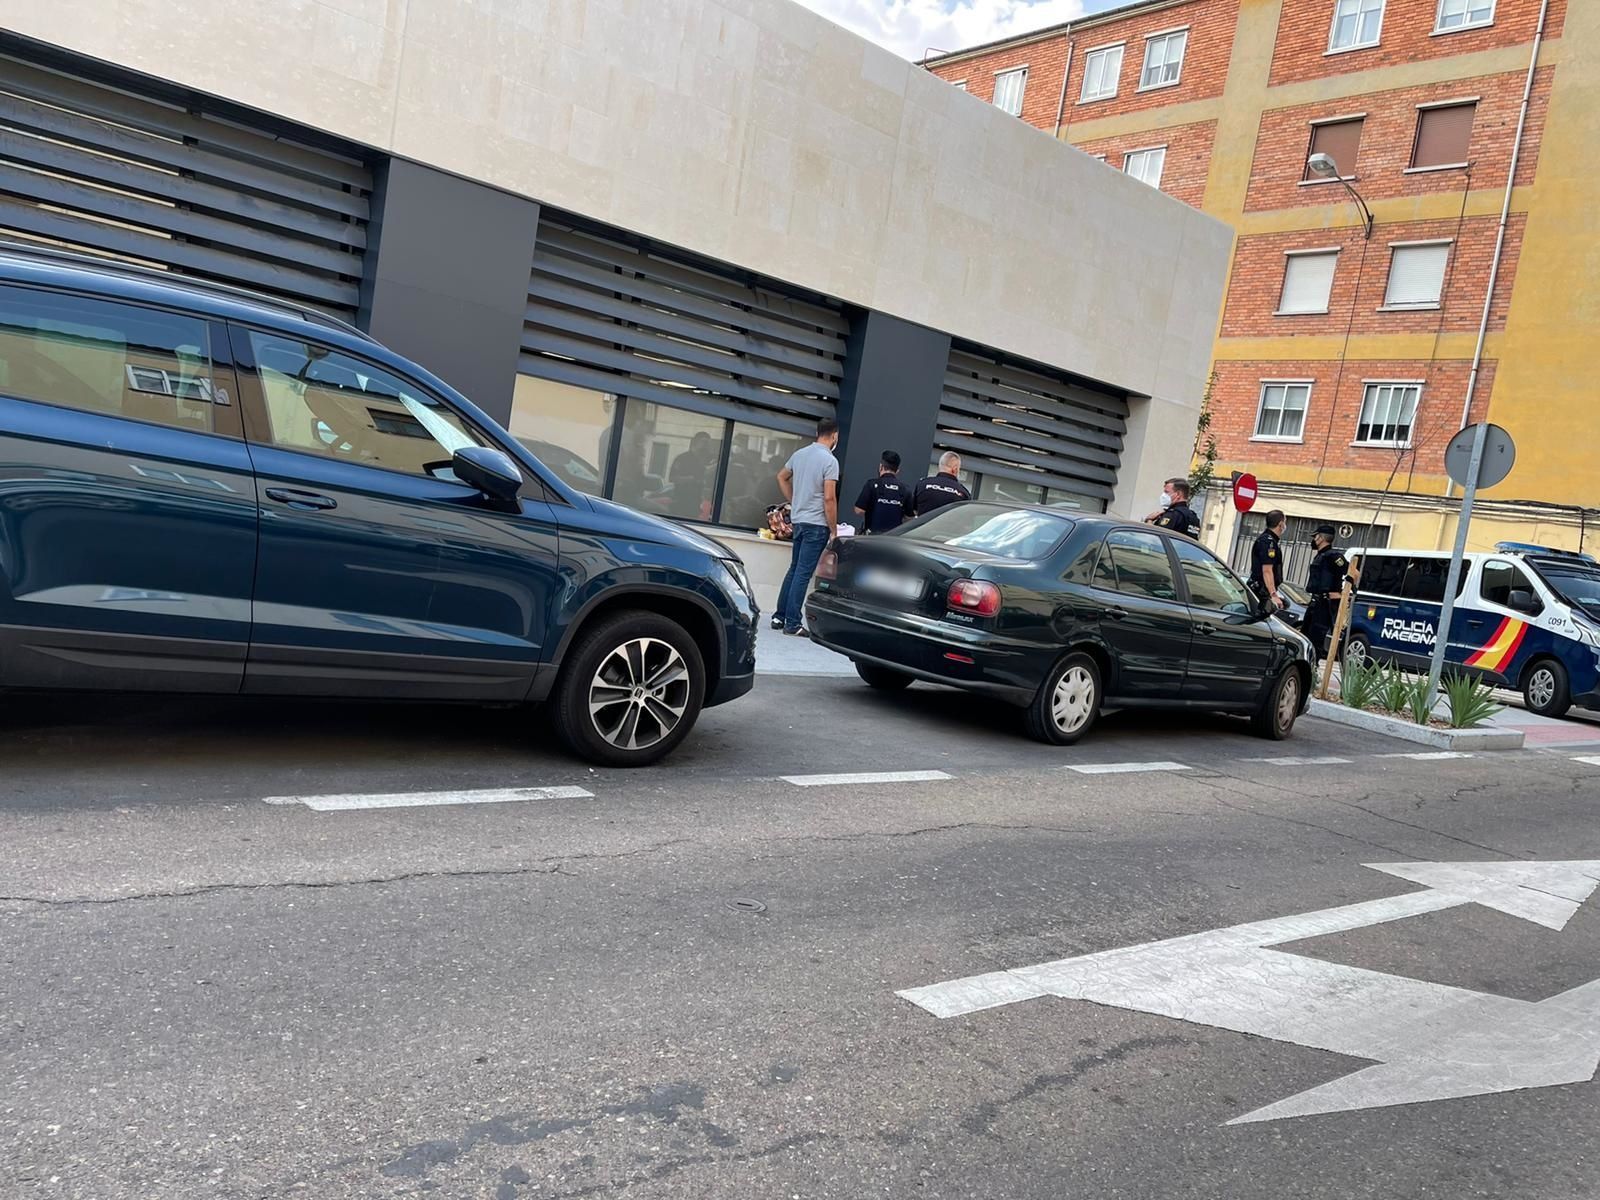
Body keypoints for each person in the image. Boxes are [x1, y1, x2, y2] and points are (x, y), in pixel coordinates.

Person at [773, 417, 840, 636]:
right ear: (834, 435)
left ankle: (779, 616)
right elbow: (829, 498)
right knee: (803, 573)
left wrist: (795, 500)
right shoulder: (830, 461)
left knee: (794, 569)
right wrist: (833, 529)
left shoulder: (799, 454)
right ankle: (792, 623)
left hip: (800, 521)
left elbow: (781, 477)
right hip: (817, 524)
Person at [1303, 525, 1353, 659]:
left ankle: (1313, 669)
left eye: (1315, 536)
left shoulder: (1334, 556)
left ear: (1321, 538)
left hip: (1325, 605)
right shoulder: (1321, 555)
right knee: (1305, 638)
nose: (1314, 540)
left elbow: (1353, 573)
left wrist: (1343, 594)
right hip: (1314, 602)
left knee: (1316, 641)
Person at [852, 450, 908, 534]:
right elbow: (910, 517)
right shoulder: (905, 489)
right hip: (895, 538)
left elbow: (858, 510)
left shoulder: (871, 484)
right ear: (897, 471)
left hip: (873, 536)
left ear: (881, 467)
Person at [909, 451, 971, 517]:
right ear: (955, 469)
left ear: (940, 465)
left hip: (924, 526)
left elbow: (913, 510)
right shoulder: (963, 493)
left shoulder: (922, 484)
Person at [1248, 509, 1287, 609]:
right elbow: (1267, 571)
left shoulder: (1269, 540)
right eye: (1285, 522)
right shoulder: (1268, 542)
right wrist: (1273, 595)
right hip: (1261, 592)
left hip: (1263, 590)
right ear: (1281, 524)